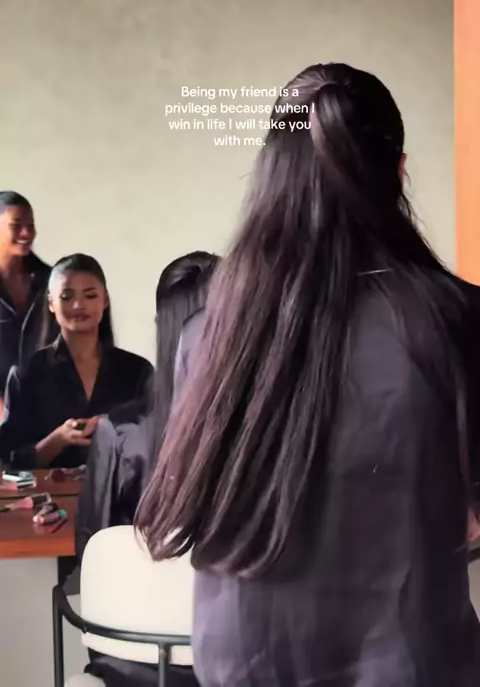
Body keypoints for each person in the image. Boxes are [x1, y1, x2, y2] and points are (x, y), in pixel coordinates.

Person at [136, 63, 480, 687]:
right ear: (398, 173)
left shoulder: (205, 336)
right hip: (412, 663)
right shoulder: (457, 321)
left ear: (273, 175)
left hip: (241, 668)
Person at [75, 250, 219, 687]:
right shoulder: (266, 430)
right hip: (231, 661)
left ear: (161, 327)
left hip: (130, 660)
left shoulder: (119, 431)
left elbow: (92, 553)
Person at [0, 254, 153, 469]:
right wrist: (58, 439)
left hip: (121, 490)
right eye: (66, 296)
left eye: (90, 295)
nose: (79, 305)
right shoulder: (26, 374)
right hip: (47, 491)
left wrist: (115, 430)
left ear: (105, 300)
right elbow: (7, 464)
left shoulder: (138, 371)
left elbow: (157, 446)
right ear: (51, 303)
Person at [0, 191, 52, 420]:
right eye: (16, 225)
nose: (26, 233)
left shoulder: (50, 280)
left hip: (44, 411)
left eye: (31, 225)